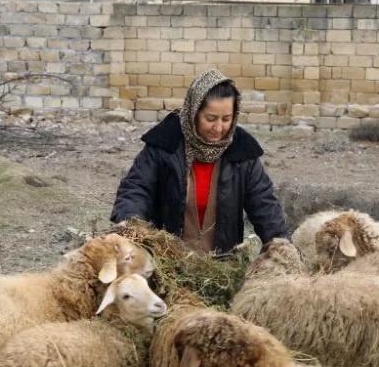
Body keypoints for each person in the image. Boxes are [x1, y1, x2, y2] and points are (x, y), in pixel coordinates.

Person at [110, 68, 289, 254]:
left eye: (226, 119)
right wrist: (129, 221)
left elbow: (264, 205)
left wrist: (280, 243)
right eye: (210, 118)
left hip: (222, 268)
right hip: (166, 263)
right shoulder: (164, 145)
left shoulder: (242, 154)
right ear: (194, 111)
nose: (219, 128)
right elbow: (137, 188)